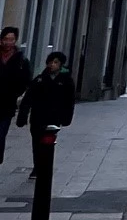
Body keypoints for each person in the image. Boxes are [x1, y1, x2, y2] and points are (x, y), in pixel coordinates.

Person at [17, 53, 75, 139]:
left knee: (49, 144)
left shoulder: (67, 81)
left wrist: (66, 118)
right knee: (37, 143)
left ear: (61, 64)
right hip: (38, 117)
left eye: (56, 62)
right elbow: (28, 98)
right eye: (50, 62)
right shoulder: (39, 80)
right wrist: (22, 116)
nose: (52, 65)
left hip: (54, 118)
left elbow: (69, 101)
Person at [0, 30, 31, 165]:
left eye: (11, 39)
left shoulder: (21, 60)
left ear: (15, 41)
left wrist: (15, 93)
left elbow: (25, 80)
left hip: (7, 105)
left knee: (0, 135)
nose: (8, 42)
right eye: (6, 39)